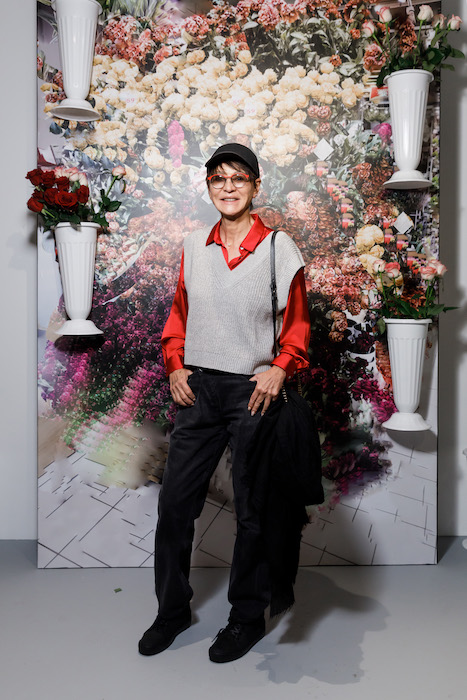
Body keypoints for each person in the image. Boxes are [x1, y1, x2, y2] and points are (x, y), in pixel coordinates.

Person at [138, 143, 311, 663]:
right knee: (174, 506)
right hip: (198, 389)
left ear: (256, 185)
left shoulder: (280, 247)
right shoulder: (194, 245)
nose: (228, 186)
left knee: (252, 508)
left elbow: (298, 325)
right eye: (218, 178)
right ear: (209, 187)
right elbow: (179, 315)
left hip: (252, 392)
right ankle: (171, 611)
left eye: (239, 178)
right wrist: (174, 365)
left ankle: (246, 617)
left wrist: (280, 368)